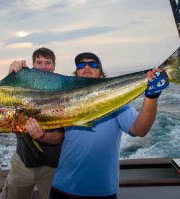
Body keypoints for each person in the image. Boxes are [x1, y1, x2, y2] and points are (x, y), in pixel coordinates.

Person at [50, 52, 169, 198]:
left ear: (101, 75)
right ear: (76, 75)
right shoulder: (64, 103)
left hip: (101, 191)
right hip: (61, 187)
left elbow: (140, 130)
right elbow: (58, 136)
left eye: (93, 64)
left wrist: (152, 97)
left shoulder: (115, 104)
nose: (86, 67)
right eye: (81, 65)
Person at [2, 47, 64, 199]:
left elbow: (60, 136)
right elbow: (4, 102)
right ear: (32, 65)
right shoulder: (22, 87)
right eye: (39, 62)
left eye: (48, 63)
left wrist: (43, 136)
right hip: (21, 164)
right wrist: (11, 74)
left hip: (53, 167)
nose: (43, 67)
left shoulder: (63, 90)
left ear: (54, 66)